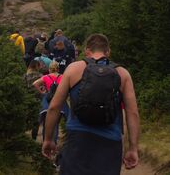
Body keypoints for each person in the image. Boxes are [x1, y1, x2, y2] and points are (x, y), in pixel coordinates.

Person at [42, 33, 140, 175]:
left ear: (87, 51)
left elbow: (54, 107)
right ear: (108, 52)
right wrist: (133, 148)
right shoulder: (122, 74)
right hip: (110, 142)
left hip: (77, 139)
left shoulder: (73, 69)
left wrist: (48, 139)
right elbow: (133, 113)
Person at [33, 61, 69, 143]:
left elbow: (35, 84)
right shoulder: (62, 77)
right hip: (59, 101)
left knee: (46, 123)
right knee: (55, 123)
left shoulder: (46, 77)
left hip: (48, 101)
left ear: (49, 69)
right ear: (58, 68)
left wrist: (42, 92)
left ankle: (45, 142)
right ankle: (54, 143)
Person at [24, 60, 43, 140]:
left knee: (26, 118)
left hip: (27, 99)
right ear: (37, 66)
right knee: (36, 120)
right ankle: (34, 138)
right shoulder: (41, 76)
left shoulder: (25, 76)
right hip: (38, 99)